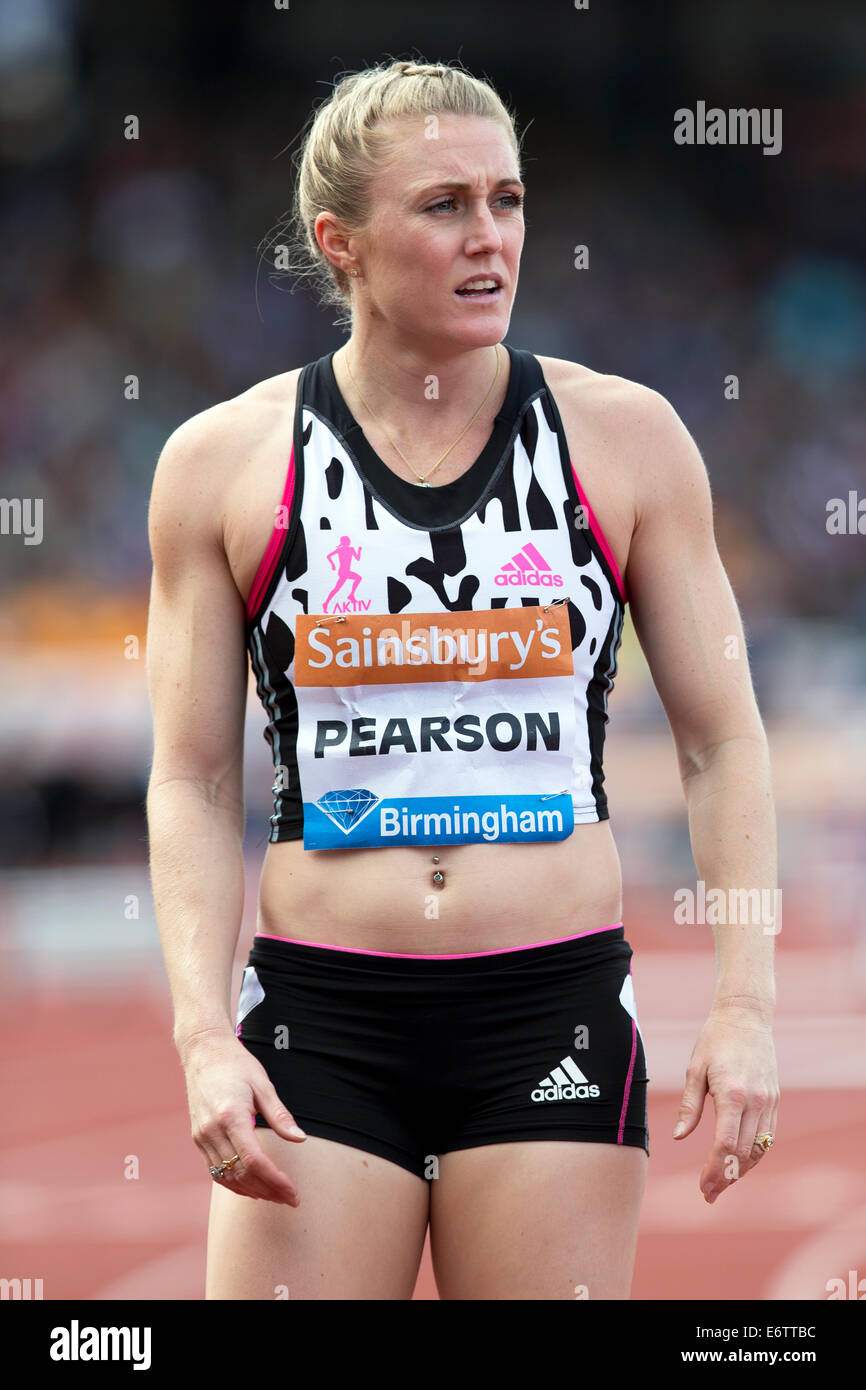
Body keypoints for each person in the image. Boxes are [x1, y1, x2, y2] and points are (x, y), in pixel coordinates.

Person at [145, 57, 779, 1301]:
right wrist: (202, 1033)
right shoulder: (223, 464)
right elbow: (192, 774)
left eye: (508, 199)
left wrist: (745, 1001)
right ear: (339, 241)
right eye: (443, 205)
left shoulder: (625, 438)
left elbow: (721, 742)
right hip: (322, 1023)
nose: (488, 236)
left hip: (547, 1009)